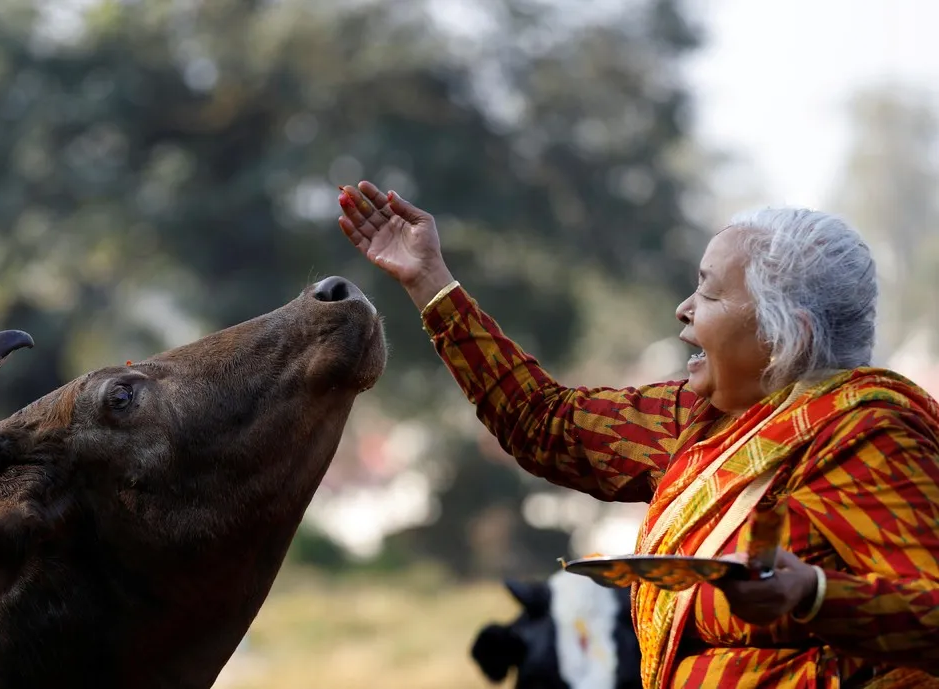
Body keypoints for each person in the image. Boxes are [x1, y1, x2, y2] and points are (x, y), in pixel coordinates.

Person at [336, 181, 939, 689]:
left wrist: (813, 594)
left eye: (708, 290)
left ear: (787, 338)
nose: (683, 307)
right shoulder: (696, 417)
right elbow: (540, 421)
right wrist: (429, 281)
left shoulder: (872, 432)